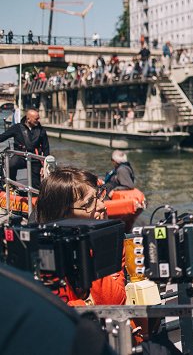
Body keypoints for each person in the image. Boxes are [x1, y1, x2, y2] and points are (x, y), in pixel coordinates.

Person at [36, 167, 126, 307]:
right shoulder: (42, 256)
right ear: (61, 215)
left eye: (99, 196)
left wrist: (93, 246)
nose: (102, 205)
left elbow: (116, 301)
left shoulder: (109, 241)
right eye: (89, 203)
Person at [0, 108, 50, 189]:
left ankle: (35, 195)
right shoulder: (17, 128)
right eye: (36, 119)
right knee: (11, 164)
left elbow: (46, 148)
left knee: (36, 183)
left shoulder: (41, 131)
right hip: (20, 156)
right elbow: (2, 137)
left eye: (38, 118)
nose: (38, 120)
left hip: (34, 157)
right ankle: (12, 186)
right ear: (28, 119)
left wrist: (44, 165)